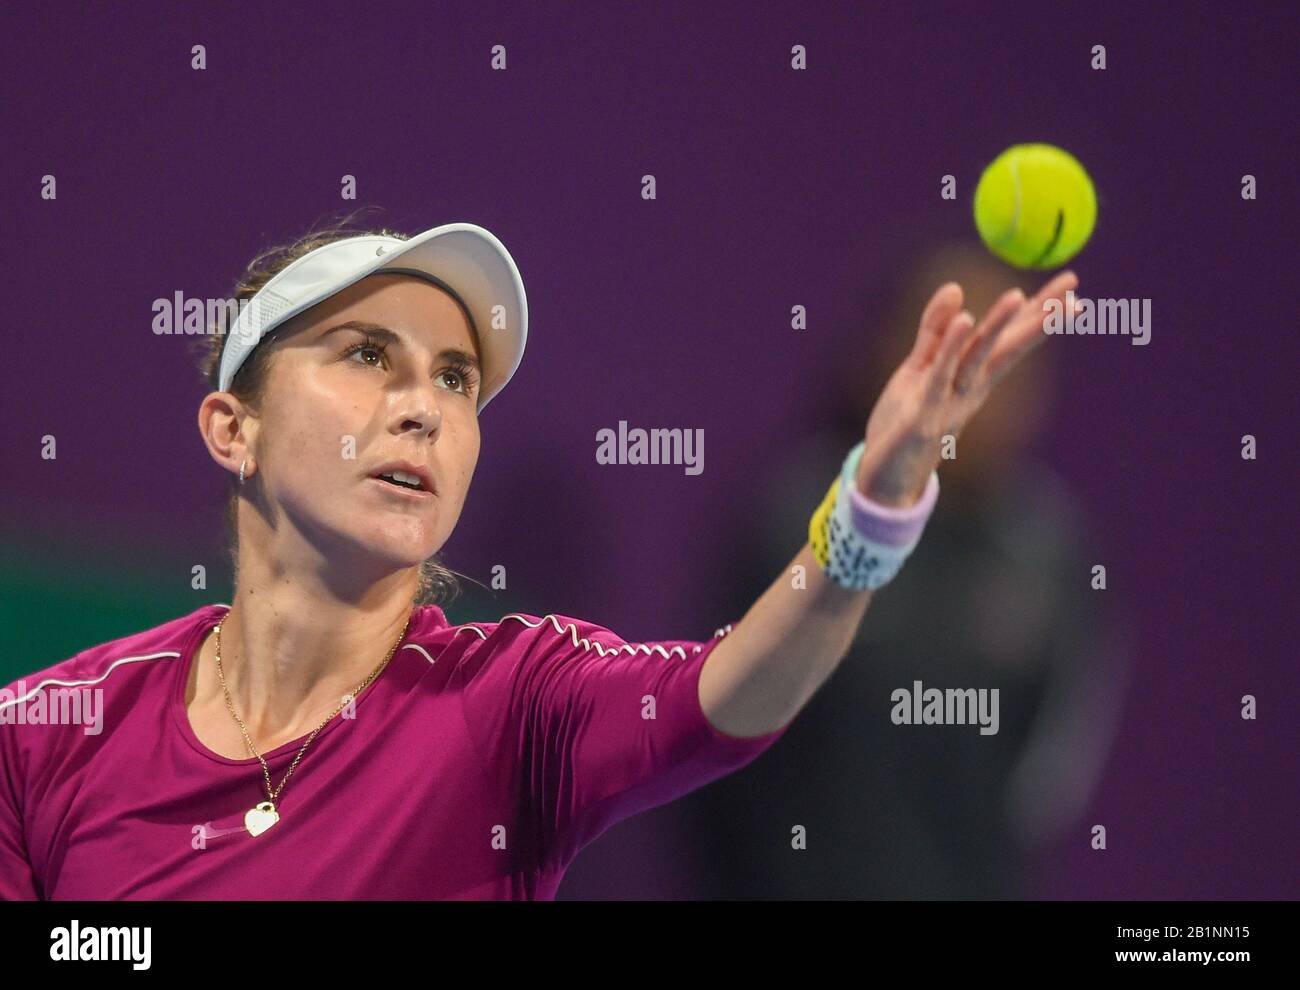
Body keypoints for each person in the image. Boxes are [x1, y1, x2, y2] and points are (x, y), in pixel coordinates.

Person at [0, 215, 1083, 900]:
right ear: (231, 428)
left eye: (456, 379)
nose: (422, 407)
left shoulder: (519, 701)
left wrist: (874, 511)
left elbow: (733, 692)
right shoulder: (43, 739)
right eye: (367, 355)